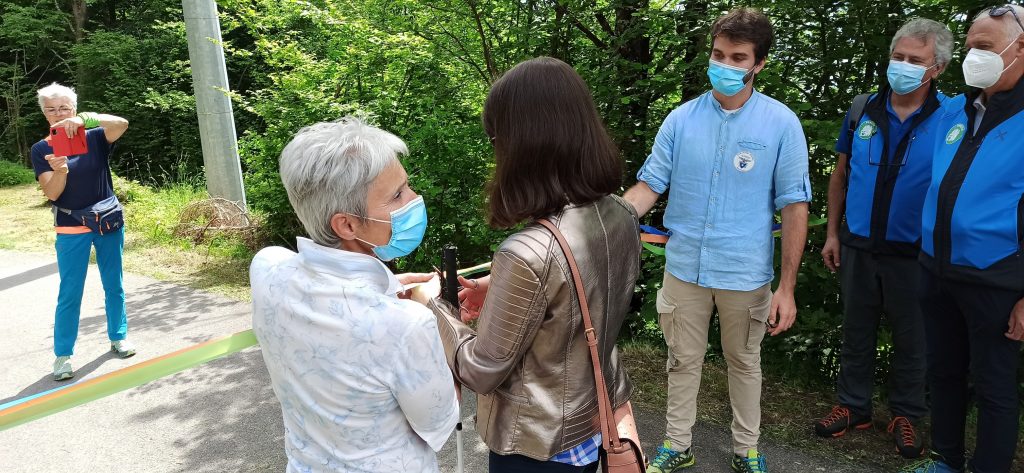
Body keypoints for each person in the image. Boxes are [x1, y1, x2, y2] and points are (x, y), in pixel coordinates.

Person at [426, 57, 641, 473]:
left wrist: (439, 310)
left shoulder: (527, 252)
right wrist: (499, 286)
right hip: (591, 425)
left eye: (496, 139)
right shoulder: (620, 214)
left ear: (521, 145)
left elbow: (480, 370)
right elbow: (585, 291)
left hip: (534, 447)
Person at [624, 8, 811, 473]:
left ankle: (745, 451)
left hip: (745, 272)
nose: (724, 65)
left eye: (737, 57)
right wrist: (608, 219)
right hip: (684, 266)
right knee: (681, 361)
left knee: (744, 363)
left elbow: (795, 207)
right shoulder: (681, 120)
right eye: (718, 54)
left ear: (758, 64)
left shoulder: (781, 124)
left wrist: (786, 287)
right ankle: (676, 445)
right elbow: (649, 186)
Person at [249, 118, 460, 473]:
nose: (414, 200)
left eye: (406, 186)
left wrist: (389, 287)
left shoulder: (267, 268)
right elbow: (442, 421)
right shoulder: (407, 324)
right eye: (397, 195)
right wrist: (432, 313)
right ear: (347, 224)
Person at [813, 18, 953, 460]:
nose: (904, 66)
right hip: (856, 243)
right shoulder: (863, 109)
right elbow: (841, 174)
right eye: (899, 57)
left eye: (916, 60)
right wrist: (833, 233)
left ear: (938, 68)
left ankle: (907, 414)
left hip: (916, 252)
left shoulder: (954, 117)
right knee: (856, 329)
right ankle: (853, 406)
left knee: (914, 337)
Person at [900, 5, 1024, 473]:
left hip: (997, 279)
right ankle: (945, 461)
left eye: (986, 47)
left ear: (1021, 49)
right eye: (970, 46)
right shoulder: (960, 109)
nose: (974, 55)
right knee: (944, 374)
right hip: (936, 269)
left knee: (993, 387)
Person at [30, 83, 133, 381]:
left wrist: (86, 119)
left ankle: (119, 337)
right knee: (70, 292)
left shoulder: (96, 135)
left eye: (64, 108)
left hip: (106, 221)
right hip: (71, 226)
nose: (58, 114)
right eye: (51, 109)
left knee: (114, 283)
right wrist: (60, 170)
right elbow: (52, 193)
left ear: (73, 108)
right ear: (44, 114)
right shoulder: (41, 148)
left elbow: (122, 124)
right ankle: (63, 356)